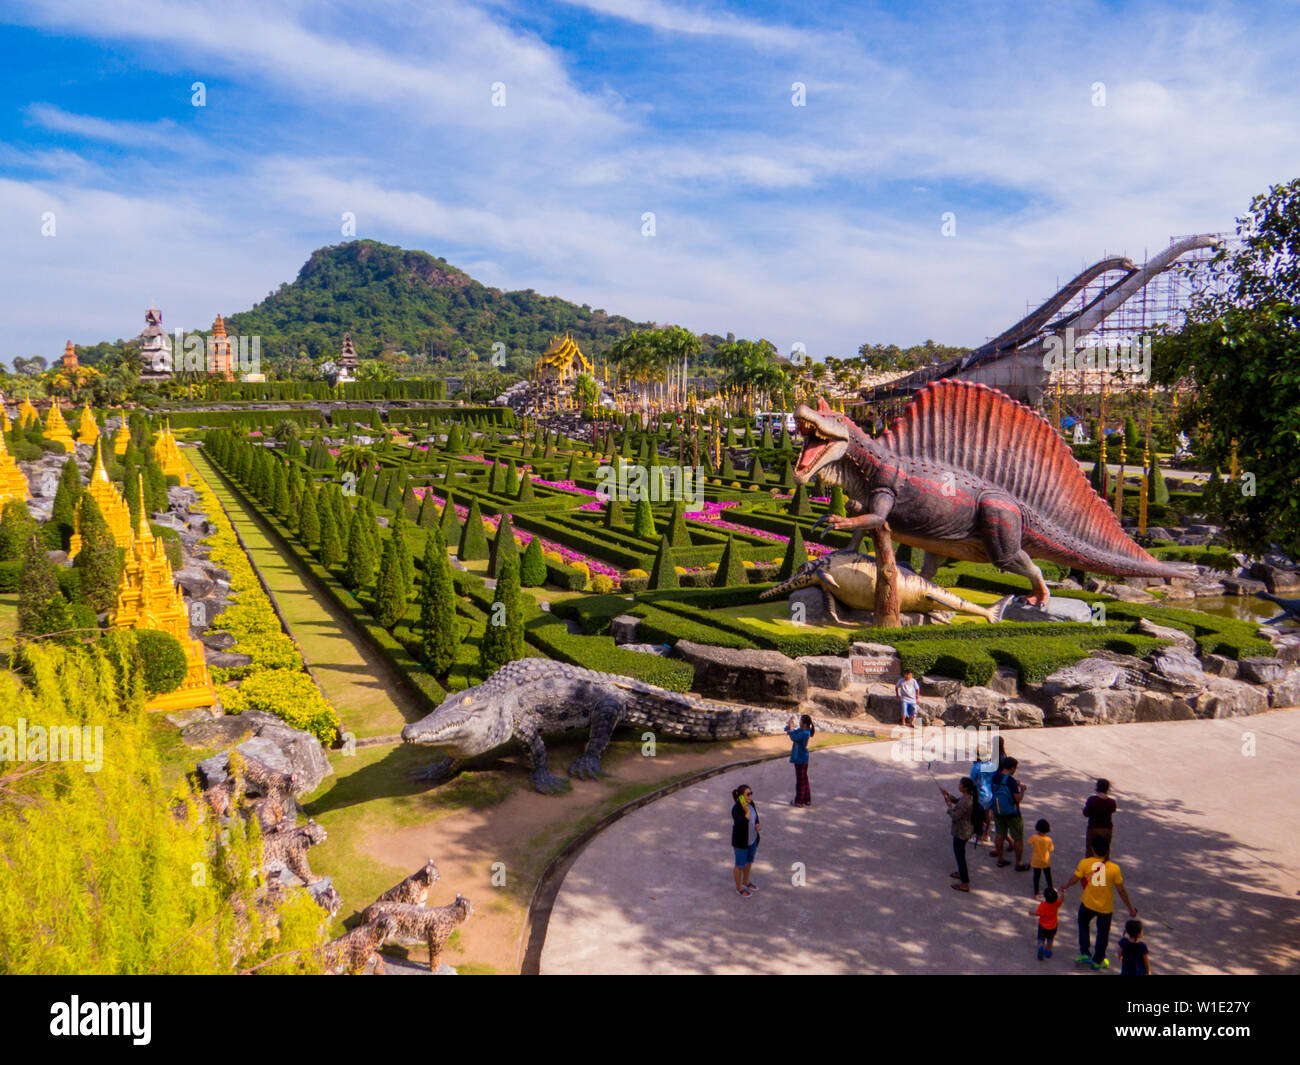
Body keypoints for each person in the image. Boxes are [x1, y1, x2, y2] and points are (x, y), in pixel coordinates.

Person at [1061, 838, 1137, 970]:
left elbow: (1075, 879)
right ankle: (1098, 960)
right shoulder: (1114, 868)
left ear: (1092, 849)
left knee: (1083, 923)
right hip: (1105, 907)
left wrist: (1066, 885)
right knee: (1103, 934)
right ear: (1108, 851)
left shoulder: (1085, 863)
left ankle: (1085, 952)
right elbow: (1121, 890)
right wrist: (1130, 908)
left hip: (1087, 903)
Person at [988, 757, 1029, 871]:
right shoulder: (1010, 781)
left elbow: (994, 790)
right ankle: (1019, 863)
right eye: (1014, 769)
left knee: (1000, 834)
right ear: (1011, 768)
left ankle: (1001, 860)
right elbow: (1018, 798)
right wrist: (1022, 790)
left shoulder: (996, 776)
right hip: (1012, 813)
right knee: (1018, 838)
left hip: (998, 810)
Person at [941, 777, 976, 891]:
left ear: (965, 788)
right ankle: (961, 873)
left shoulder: (966, 801)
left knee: (960, 855)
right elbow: (958, 801)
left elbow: (955, 815)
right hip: (964, 830)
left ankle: (965, 883)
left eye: (960, 784)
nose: (959, 786)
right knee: (959, 853)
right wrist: (949, 795)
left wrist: (949, 805)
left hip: (961, 832)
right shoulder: (967, 797)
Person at [730, 784, 760, 898]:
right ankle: (739, 888)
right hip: (741, 842)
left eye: (751, 793)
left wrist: (757, 824)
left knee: (749, 862)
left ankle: (746, 881)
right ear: (741, 796)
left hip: (752, 840)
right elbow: (740, 825)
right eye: (748, 794)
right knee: (739, 865)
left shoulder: (751, 804)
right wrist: (746, 811)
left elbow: (756, 817)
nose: (750, 796)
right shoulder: (736, 809)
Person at [969, 744, 998, 844]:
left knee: (979, 817)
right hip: (990, 794)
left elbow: (971, 782)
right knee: (987, 815)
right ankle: (986, 834)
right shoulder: (991, 765)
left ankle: (979, 836)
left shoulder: (976, 767)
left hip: (979, 795)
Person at [784, 714, 814, 807]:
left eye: (800, 721)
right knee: (804, 779)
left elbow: (794, 737)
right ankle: (807, 799)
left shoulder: (805, 733)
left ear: (804, 723)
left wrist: (791, 728)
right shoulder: (802, 730)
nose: (799, 722)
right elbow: (789, 731)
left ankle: (799, 801)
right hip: (801, 758)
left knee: (800, 781)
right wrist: (789, 725)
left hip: (801, 759)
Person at [1083, 779, 1118, 857]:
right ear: (1108, 789)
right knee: (1105, 850)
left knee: (1090, 850)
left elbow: (1086, 813)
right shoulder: (1111, 802)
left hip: (1093, 828)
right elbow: (1113, 810)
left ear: (1097, 787)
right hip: (1107, 828)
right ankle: (1104, 867)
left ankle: (1090, 867)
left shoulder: (1092, 800)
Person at [1032, 887, 1063, 960]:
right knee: (1050, 940)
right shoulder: (1056, 903)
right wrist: (1062, 894)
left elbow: (1038, 914)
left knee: (1041, 939)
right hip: (1053, 927)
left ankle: (1040, 949)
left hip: (1042, 926)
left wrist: (1032, 913)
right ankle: (1048, 952)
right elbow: (1061, 899)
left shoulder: (1043, 905)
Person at [1029, 818, 1054, 898]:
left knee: (1036, 877)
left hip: (1036, 861)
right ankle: (1051, 889)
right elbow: (1051, 849)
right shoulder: (1048, 840)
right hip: (1045, 861)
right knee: (1048, 876)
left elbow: (1029, 842)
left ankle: (1036, 893)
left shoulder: (1034, 837)